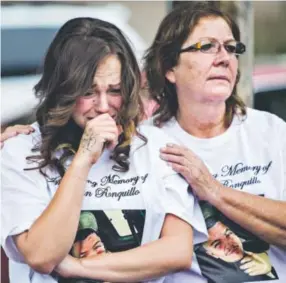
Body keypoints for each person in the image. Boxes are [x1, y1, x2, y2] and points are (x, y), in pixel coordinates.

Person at [1, 17, 207, 283]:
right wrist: (83, 160)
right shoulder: (20, 151)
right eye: (88, 92)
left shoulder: (155, 147)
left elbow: (177, 251)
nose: (103, 105)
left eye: (115, 90)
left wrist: (76, 267)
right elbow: (42, 255)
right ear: (62, 90)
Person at [144, 2, 286, 282]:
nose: (224, 58)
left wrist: (213, 190)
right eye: (207, 47)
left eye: (231, 48)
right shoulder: (148, 142)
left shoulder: (270, 132)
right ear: (169, 68)